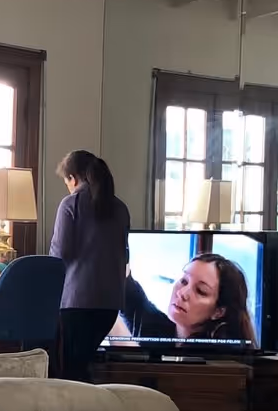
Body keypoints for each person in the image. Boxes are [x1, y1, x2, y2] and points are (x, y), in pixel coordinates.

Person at [48, 150, 131, 379]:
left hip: (77, 302)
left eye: (67, 182)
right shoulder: (120, 208)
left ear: (73, 178)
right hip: (110, 304)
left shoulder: (70, 204)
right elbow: (124, 255)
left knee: (70, 370)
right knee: (82, 364)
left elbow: (60, 254)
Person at [122, 251, 257, 346]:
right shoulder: (155, 325)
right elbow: (127, 286)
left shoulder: (222, 353)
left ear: (219, 312)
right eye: (184, 281)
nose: (182, 293)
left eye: (200, 291)